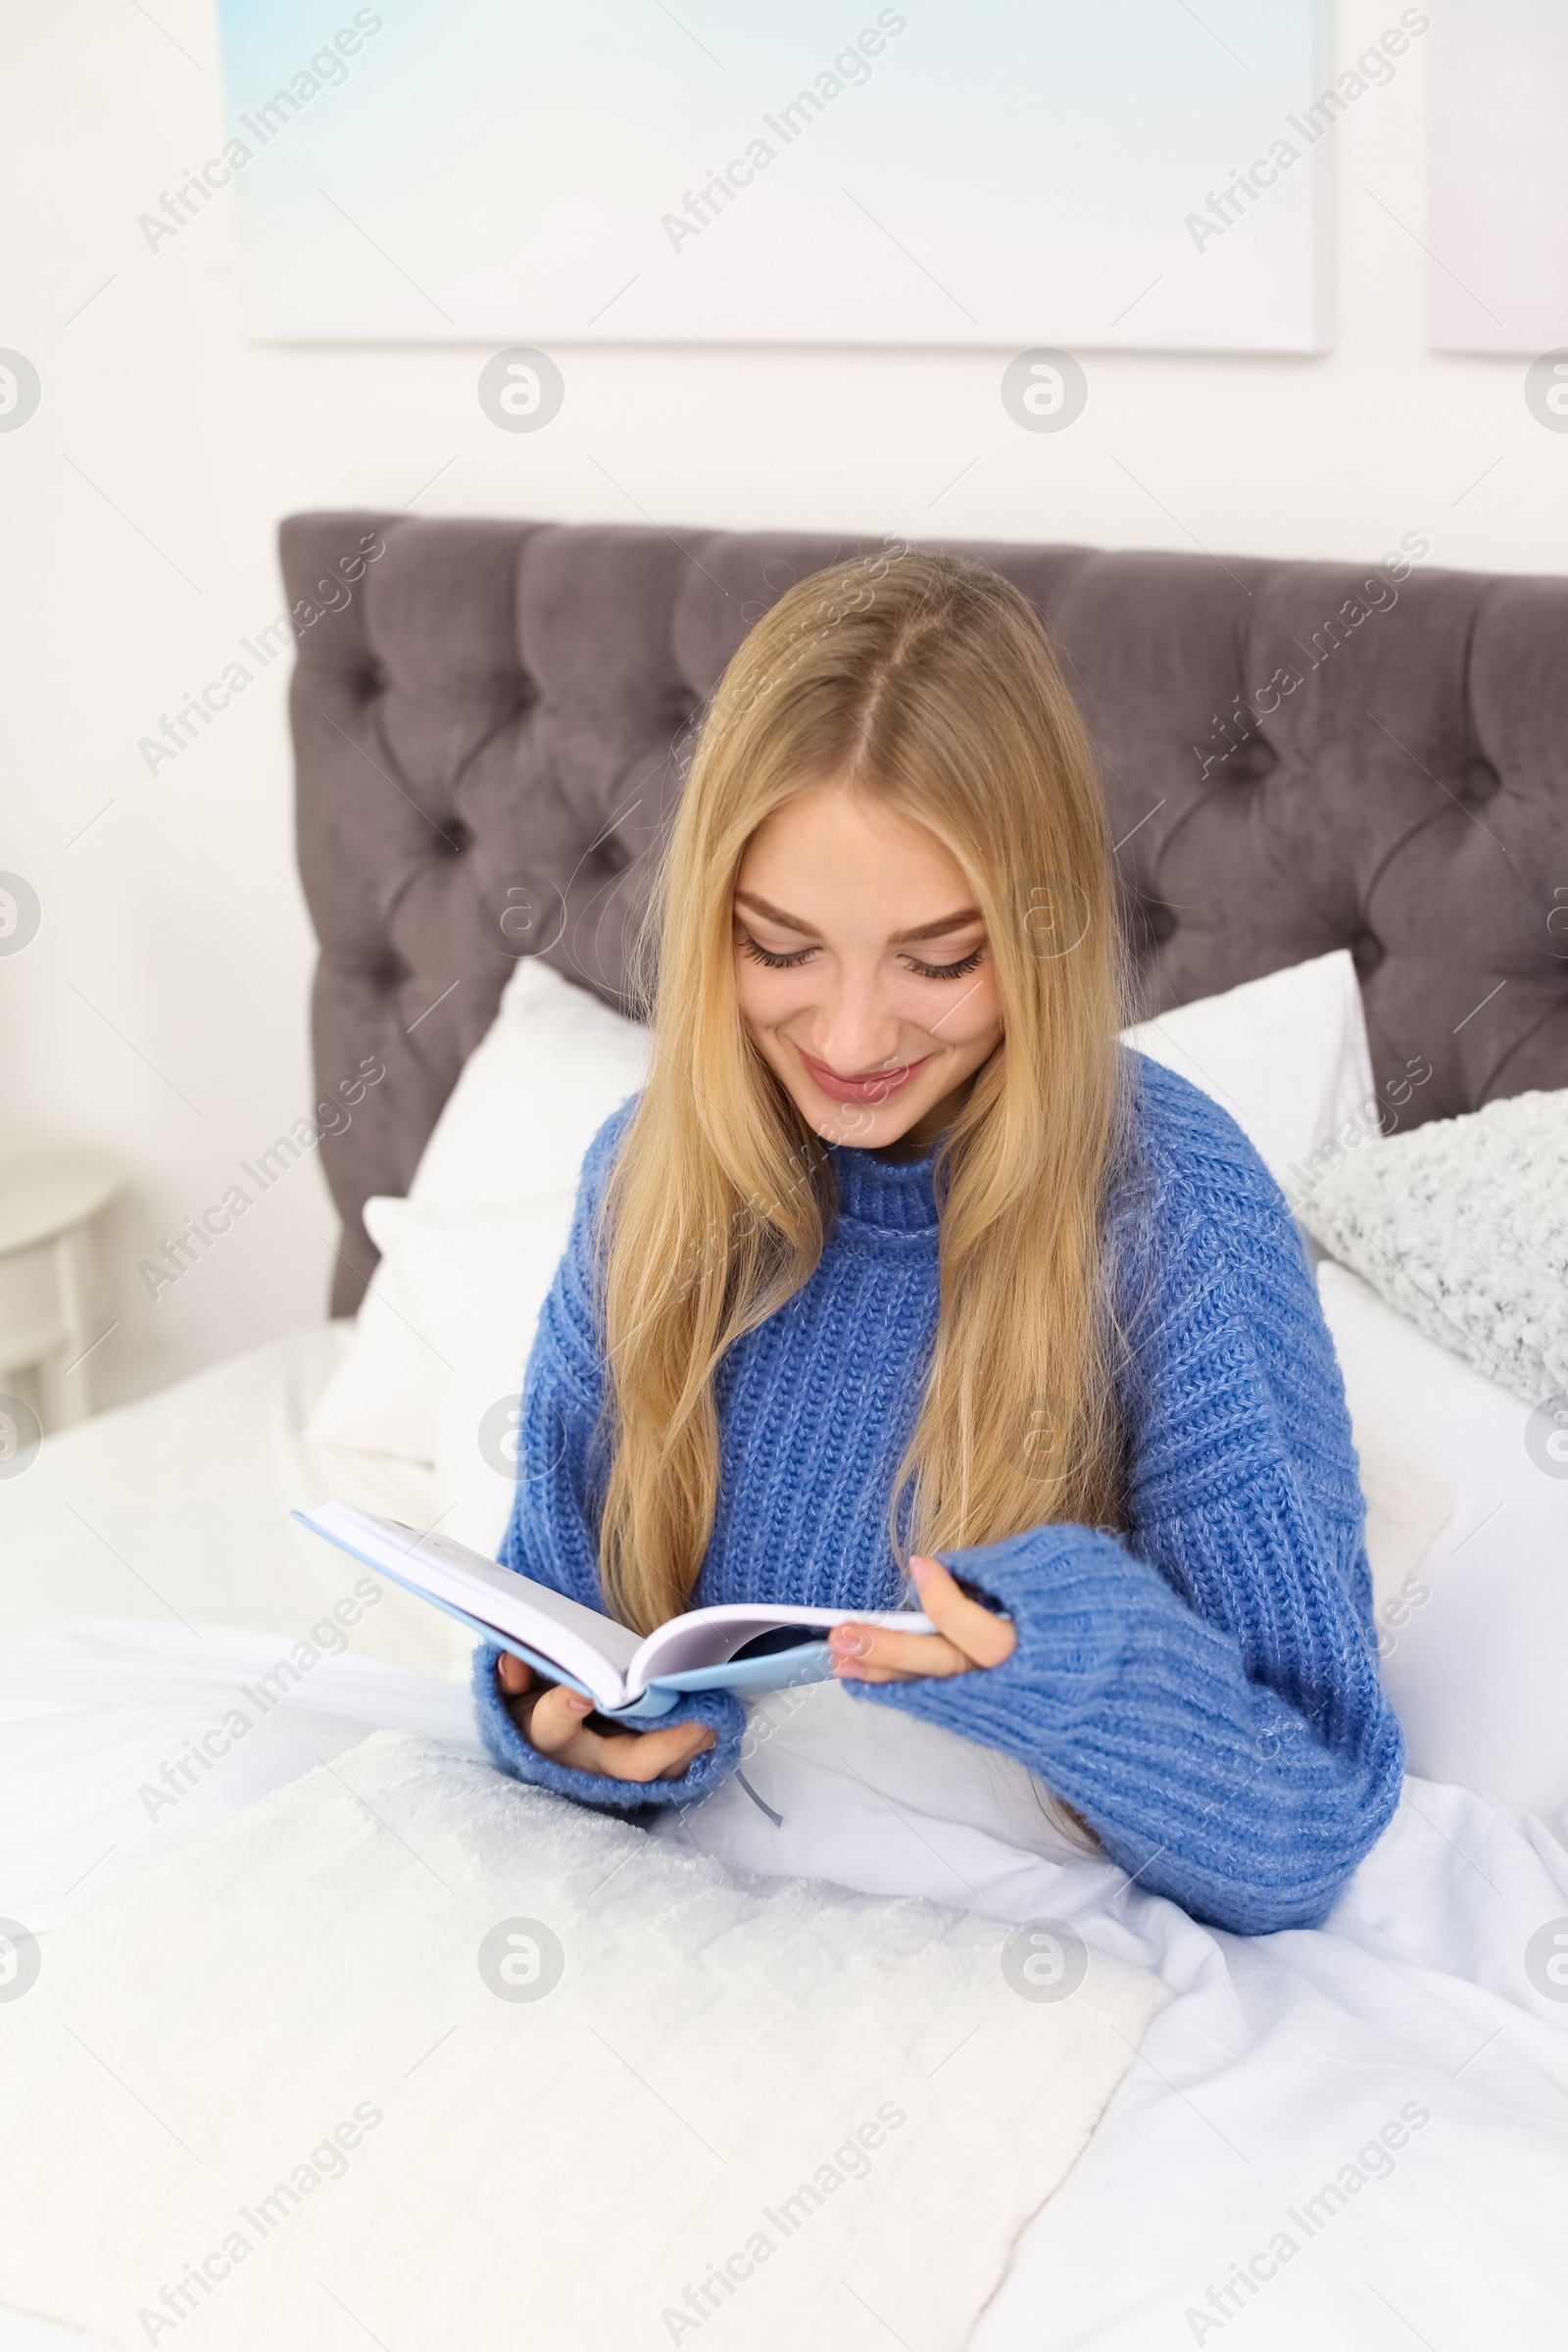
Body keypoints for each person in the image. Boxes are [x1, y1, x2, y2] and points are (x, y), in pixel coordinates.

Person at [472, 547, 1402, 1936]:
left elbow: (1305, 1828)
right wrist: (565, 1735)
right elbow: (552, 1631)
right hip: (682, 1944)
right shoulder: (647, 1178)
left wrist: (1070, 1658)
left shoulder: (1168, 1211)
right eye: (783, 951)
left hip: (1003, 1974)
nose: (851, 1040)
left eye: (941, 960)